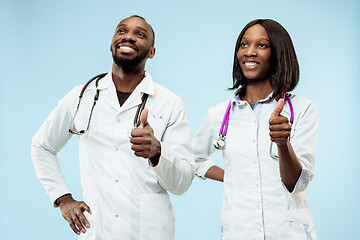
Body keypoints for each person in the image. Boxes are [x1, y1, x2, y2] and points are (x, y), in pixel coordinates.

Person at [31, 15, 194, 240]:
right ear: (111, 44)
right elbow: (42, 146)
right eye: (122, 31)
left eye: (140, 34)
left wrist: (157, 153)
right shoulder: (81, 97)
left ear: (151, 52)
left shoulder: (169, 103)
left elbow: (182, 183)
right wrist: (63, 198)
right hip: (97, 231)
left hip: (150, 232)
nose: (128, 36)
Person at [193, 19, 317, 239]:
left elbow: (296, 183)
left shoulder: (301, 109)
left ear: (279, 53)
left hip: (288, 232)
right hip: (240, 231)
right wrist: (232, 177)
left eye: (262, 45)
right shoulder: (219, 114)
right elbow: (195, 160)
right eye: (243, 44)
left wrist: (282, 143)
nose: (249, 52)